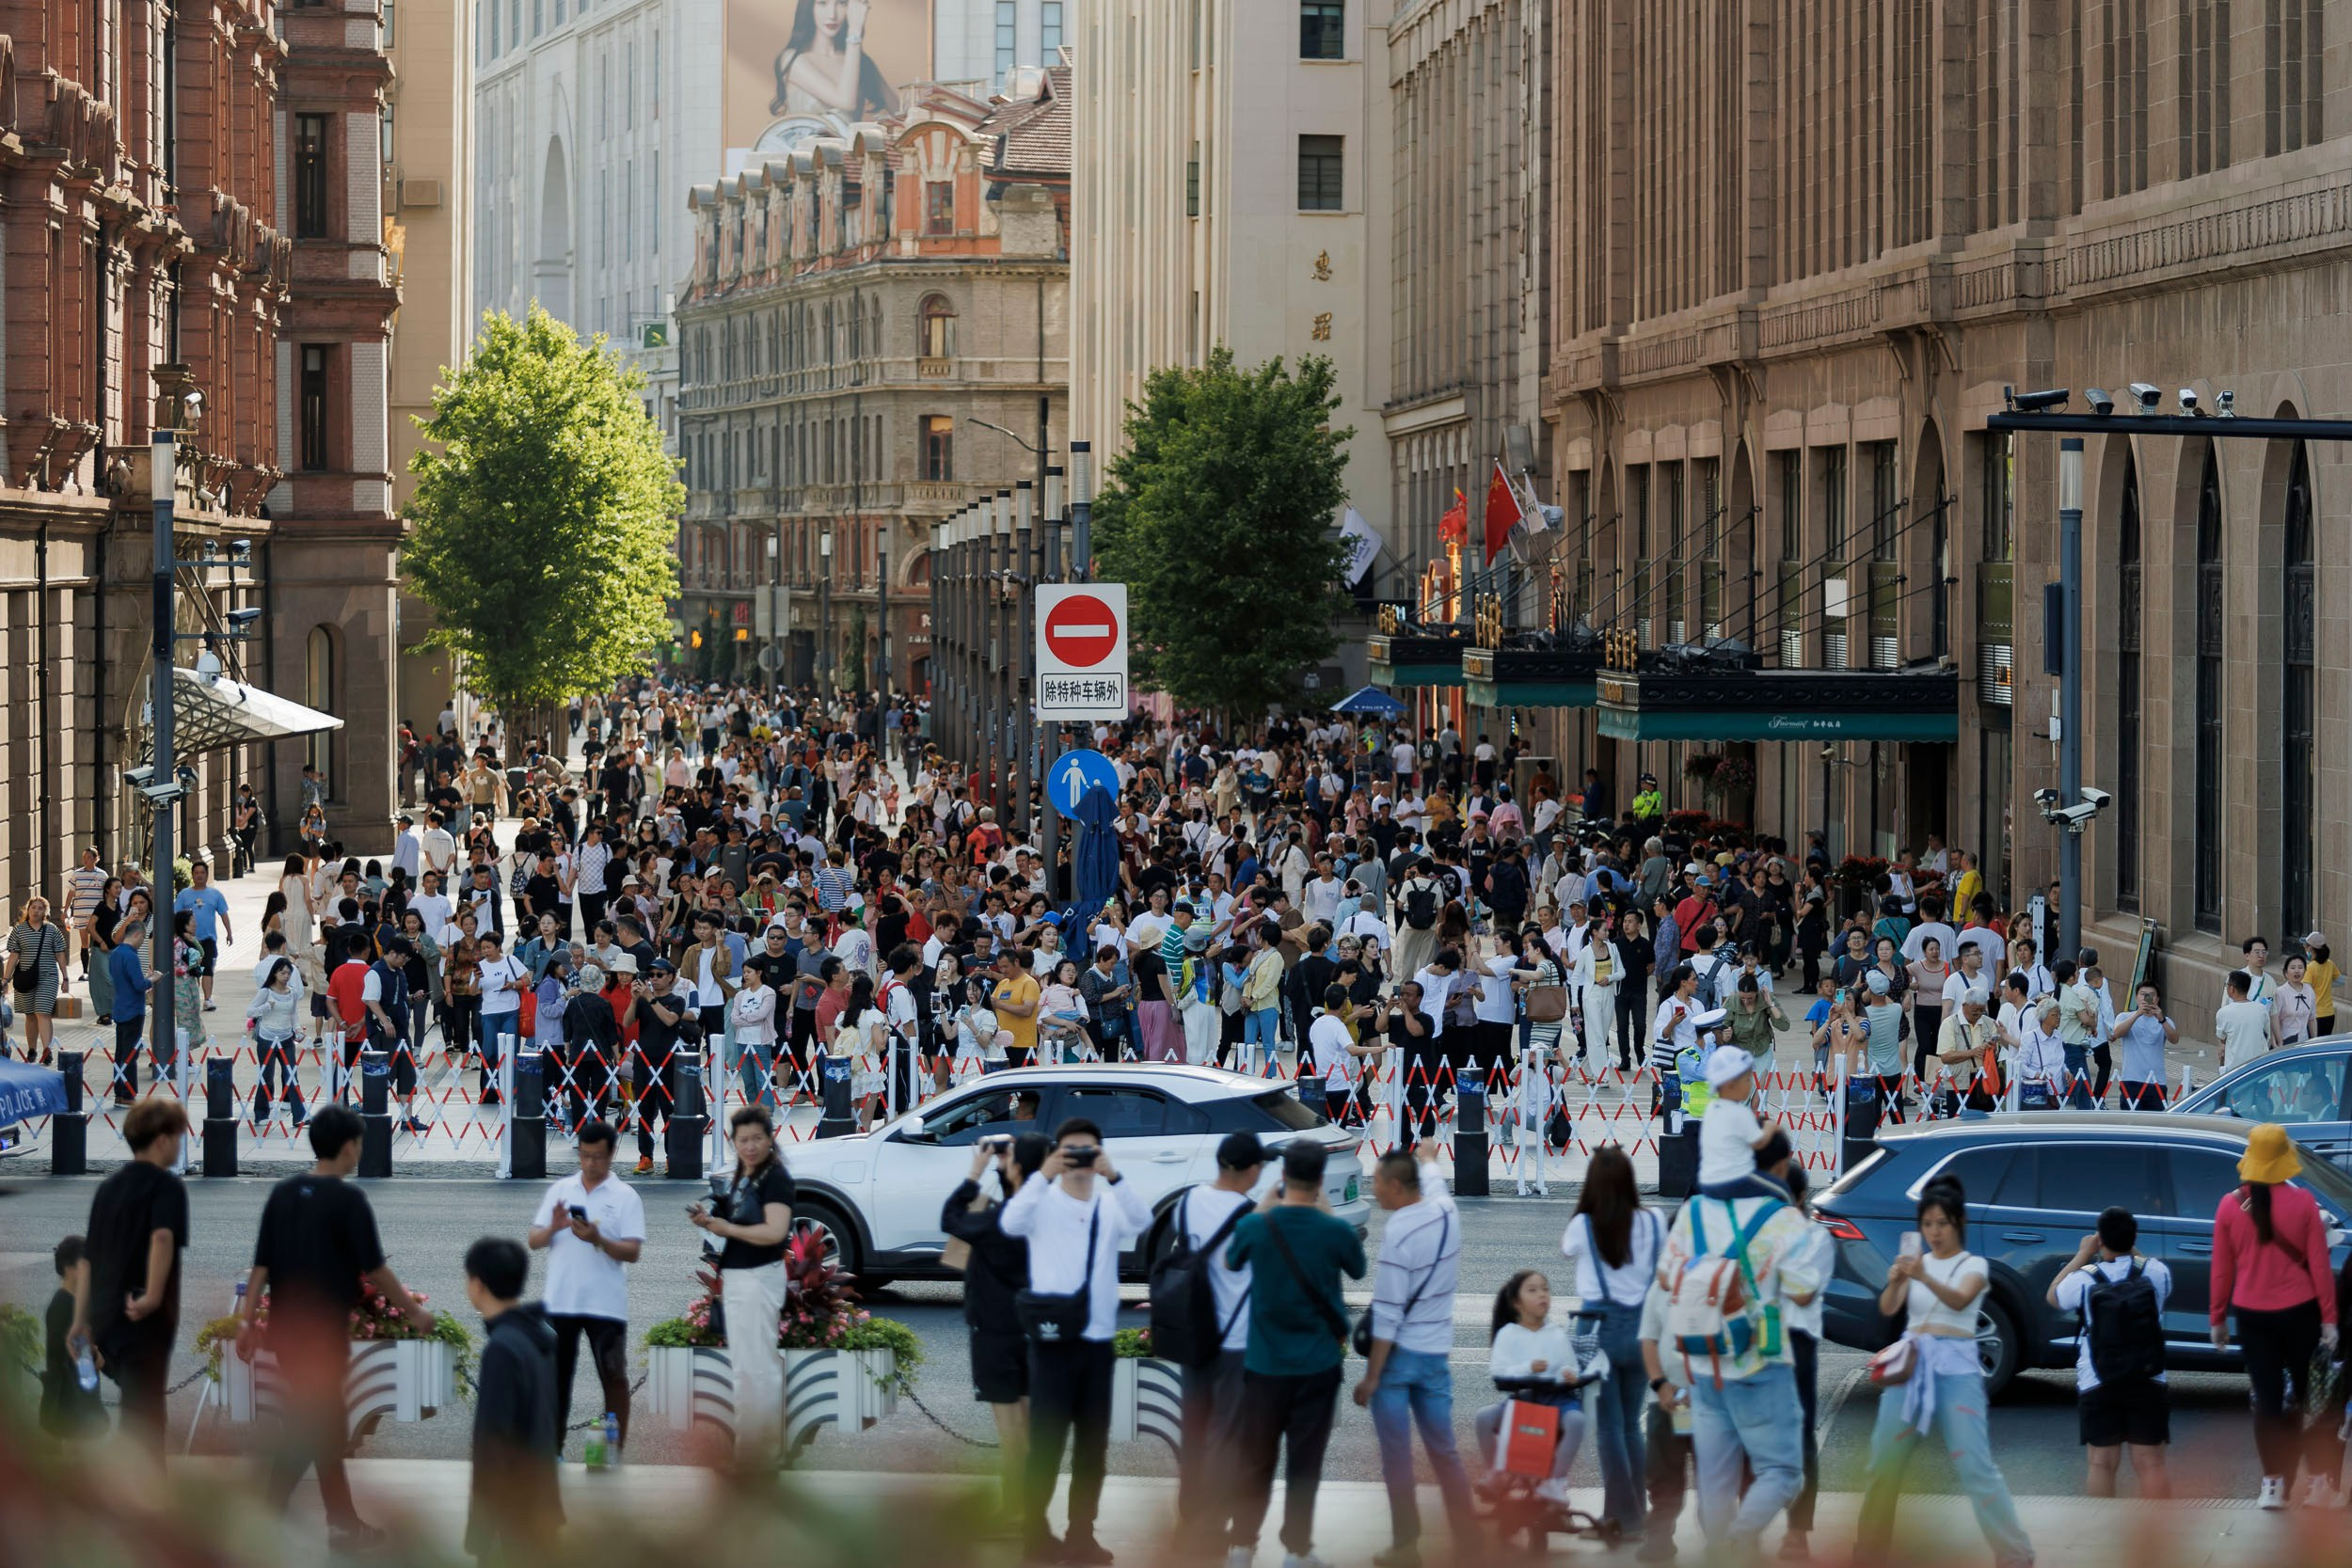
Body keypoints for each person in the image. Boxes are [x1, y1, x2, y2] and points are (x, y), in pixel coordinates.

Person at [238, 1105, 432, 1553]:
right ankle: (270, 1517)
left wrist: (248, 1321)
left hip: (286, 1333)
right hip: (324, 1336)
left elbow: (261, 1267)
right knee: (316, 1428)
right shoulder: (348, 1201)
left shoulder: (283, 1194)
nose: (360, 1152)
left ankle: (341, 1523)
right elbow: (376, 1270)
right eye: (359, 1144)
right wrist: (413, 1312)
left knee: (321, 1427)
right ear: (348, 1147)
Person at [1656, 1134, 1822, 1560]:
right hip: (1760, 1360)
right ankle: (1735, 1541)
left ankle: (1718, 1545)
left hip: (1705, 1360)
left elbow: (1665, 1279)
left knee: (1715, 1479)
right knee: (1784, 1472)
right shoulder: (1785, 1219)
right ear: (1782, 1166)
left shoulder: (1694, 1211)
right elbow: (1804, 1293)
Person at [1852, 1174, 2032, 1568]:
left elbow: (1960, 1299)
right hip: (1912, 1365)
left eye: (1942, 1224)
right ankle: (1868, 1555)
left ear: (1959, 1224)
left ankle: (2015, 1553)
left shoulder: (1975, 1265)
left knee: (1974, 1466)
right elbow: (1887, 1308)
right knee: (1883, 1466)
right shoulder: (1918, 1265)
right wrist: (1897, 1281)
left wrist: (1922, 1276)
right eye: (1927, 1224)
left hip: (1957, 1369)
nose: (1934, 1233)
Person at [999, 1117, 1153, 1566]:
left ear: (1100, 1153)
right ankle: (1035, 1535)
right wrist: (1043, 1174)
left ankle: (1081, 1535)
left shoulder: (1109, 1203)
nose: (1079, 1159)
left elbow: (1142, 1220)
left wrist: (1115, 1175)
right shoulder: (1042, 1201)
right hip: (1052, 1343)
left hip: (1097, 1341)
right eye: (1071, 1151)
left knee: (1092, 1448)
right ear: (1057, 1154)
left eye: (1088, 1150)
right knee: (1045, 1447)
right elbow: (1010, 1223)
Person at [1224, 1139, 1366, 1568]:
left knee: (1256, 1459)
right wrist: (1326, 1212)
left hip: (1264, 1365)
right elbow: (1358, 1269)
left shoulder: (1255, 1228)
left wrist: (1264, 1206)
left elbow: (1232, 1260)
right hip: (1318, 1364)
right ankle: (1297, 1549)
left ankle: (1243, 1545)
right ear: (1321, 1180)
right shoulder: (1335, 1231)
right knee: (1305, 1461)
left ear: (1282, 1178)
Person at [1357, 1141, 1475, 1568]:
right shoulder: (1447, 1211)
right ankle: (1468, 1540)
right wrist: (1427, 1155)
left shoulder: (1400, 1230)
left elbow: (1387, 1313)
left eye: (1376, 1183)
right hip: (1435, 1354)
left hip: (1399, 1358)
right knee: (1445, 1452)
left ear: (1394, 1186)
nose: (1373, 1191)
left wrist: (1371, 1376)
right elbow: (1434, 1175)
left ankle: (1406, 1546)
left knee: (1398, 1455)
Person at [2209, 1122, 2340, 1508]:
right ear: (2284, 1160)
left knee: (2266, 1399)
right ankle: (2315, 1482)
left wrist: (2217, 1319)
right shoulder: (2302, 1204)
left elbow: (2221, 1268)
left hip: (2251, 1314)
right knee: (2306, 1398)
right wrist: (2329, 1319)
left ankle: (2272, 1485)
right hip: (2300, 1312)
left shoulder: (2229, 1205)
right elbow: (2318, 1267)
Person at [943, 1130, 1051, 1528]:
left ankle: (1017, 1510)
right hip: (1031, 1330)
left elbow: (950, 1217)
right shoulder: (1044, 1210)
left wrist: (975, 1172)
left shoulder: (998, 1220)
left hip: (994, 1331)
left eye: (1010, 1157)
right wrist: (1010, 1166)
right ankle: (1030, 1507)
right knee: (1026, 1427)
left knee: (1011, 1434)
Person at [67, 1098, 188, 1452]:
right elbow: (162, 1236)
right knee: (145, 1421)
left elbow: (89, 1259)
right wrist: (152, 1295)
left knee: (141, 1411)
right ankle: (137, 1500)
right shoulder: (167, 1186)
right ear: (162, 1139)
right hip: (144, 1320)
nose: (180, 1145)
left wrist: (80, 1322)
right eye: (178, 1136)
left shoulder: (108, 1188)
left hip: (106, 1320)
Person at [1560, 1142, 1663, 1539]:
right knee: (1630, 1427)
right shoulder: (1654, 1221)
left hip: (1597, 1331)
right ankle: (1634, 1512)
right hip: (1643, 1330)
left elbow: (1566, 1250)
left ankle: (1622, 1519)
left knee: (1608, 1429)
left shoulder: (1584, 1226)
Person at [1172, 1131, 1267, 1552]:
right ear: (1250, 1170)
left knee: (1194, 1430)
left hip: (1194, 1334)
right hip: (1236, 1338)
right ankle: (1211, 1527)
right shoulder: (1252, 1216)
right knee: (1226, 1436)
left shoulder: (1188, 1202)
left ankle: (1189, 1518)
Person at [526, 1118, 645, 1451]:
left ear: (612, 1155)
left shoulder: (625, 1196)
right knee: (556, 1381)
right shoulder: (561, 1190)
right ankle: (552, 1452)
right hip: (561, 1301)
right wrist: (553, 1226)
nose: (591, 1163)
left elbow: (632, 1252)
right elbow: (534, 1241)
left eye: (599, 1157)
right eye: (586, 1155)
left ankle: (612, 1450)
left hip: (605, 1304)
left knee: (614, 1377)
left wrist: (598, 1239)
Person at [691, 1105, 797, 1475]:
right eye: (742, 1140)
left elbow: (774, 1232)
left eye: (756, 1139)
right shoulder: (743, 1176)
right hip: (738, 1277)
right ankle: (751, 1450)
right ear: (733, 1142)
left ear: (770, 1139)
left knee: (758, 1368)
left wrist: (727, 1230)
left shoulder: (776, 1178)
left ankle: (760, 1453)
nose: (749, 1146)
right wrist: (710, 1222)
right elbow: (735, 1223)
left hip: (759, 1276)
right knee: (745, 1368)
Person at [2047, 1206, 2171, 1500]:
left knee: (2101, 1464)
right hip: (2148, 1375)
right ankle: (2160, 1536)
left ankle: (2099, 1534)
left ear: (2100, 1239)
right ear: (2134, 1236)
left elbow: (2053, 1296)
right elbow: (2141, 1263)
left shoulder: (2085, 1279)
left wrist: (2084, 1254)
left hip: (2098, 1378)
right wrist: (2127, 1245)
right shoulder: (2157, 1272)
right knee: (2151, 1463)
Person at [463, 1235, 564, 1560]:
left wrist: (482, 1526)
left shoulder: (502, 1349)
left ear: (477, 1284)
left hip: (510, 1514)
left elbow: (493, 1442)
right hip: (539, 1501)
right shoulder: (538, 1336)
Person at [1471, 1270, 1588, 1501]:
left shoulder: (1556, 1334)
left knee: (1577, 1420)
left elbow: (1572, 1367)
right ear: (1517, 1302)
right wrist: (1527, 1368)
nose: (1542, 1295)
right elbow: (1499, 1372)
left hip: (1557, 1401)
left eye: (1545, 1289)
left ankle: (1555, 1481)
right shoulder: (1508, 1334)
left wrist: (1571, 1375)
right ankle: (1496, 1473)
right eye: (1533, 1290)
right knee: (1483, 1417)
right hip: (1523, 1400)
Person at [40, 1234, 105, 1439]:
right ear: (70, 1269)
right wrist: (98, 1357)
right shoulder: (64, 1306)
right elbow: (84, 1364)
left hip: (74, 1403)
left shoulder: (71, 1303)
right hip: (70, 1406)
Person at [173, 858, 234, 1009]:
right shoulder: (184, 894)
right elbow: (175, 916)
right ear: (192, 875)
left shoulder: (215, 894)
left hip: (208, 939)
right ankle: (191, 998)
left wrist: (229, 933)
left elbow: (223, 914)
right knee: (191, 970)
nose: (199, 875)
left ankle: (207, 999)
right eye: (196, 873)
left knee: (208, 968)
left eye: (202, 873)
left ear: (207, 875)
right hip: (188, 940)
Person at [2106, 983, 2179, 1110]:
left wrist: (2161, 1019)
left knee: (2156, 1124)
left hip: (2156, 1081)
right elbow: (2117, 1033)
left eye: (2151, 995)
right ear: (2136, 998)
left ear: (2157, 999)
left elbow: (2175, 1039)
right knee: (2131, 1123)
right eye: (2143, 995)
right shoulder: (2124, 1016)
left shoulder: (2165, 1020)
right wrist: (2137, 1014)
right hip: (2131, 1080)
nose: (2146, 998)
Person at [105, 918, 152, 1103]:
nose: (142, 942)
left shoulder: (115, 953)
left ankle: (119, 1091)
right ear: (137, 934)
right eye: (142, 938)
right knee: (130, 1053)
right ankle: (128, 1093)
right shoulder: (131, 955)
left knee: (120, 1052)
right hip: (133, 1008)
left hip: (120, 1006)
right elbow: (139, 984)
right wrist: (152, 980)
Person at [2216, 969, 2272, 1073]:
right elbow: (2267, 1034)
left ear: (2232, 988)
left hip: (2234, 1069)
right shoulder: (2261, 1009)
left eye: (2227, 985)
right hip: (2258, 1065)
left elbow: (2222, 1038)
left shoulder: (2223, 1013)